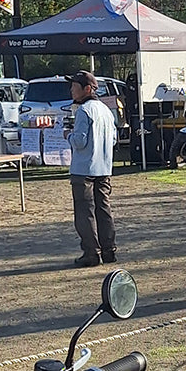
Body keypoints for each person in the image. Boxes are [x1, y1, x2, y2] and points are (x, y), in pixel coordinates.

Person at [64, 70, 118, 267]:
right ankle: (109, 249)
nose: (71, 90)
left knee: (85, 212)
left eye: (74, 86)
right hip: (104, 168)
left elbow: (79, 141)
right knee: (104, 210)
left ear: (87, 89)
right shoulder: (105, 110)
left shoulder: (84, 111)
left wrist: (67, 134)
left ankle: (91, 252)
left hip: (83, 169)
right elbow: (113, 139)